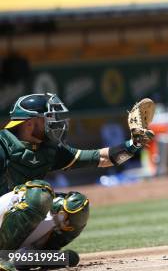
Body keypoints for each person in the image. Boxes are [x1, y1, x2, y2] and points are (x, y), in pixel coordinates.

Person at [0, 94, 154, 267]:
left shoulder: (48, 149)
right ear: (29, 123)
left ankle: (34, 258)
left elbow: (101, 158)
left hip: (15, 218)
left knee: (75, 205)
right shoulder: (3, 144)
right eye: (48, 118)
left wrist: (134, 144)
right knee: (40, 192)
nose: (55, 123)